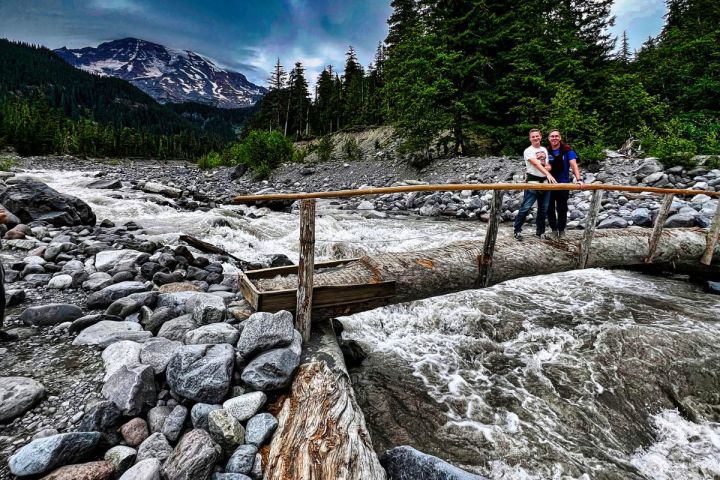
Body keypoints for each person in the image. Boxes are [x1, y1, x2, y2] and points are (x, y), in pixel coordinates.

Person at [514, 129, 557, 241]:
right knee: (526, 207)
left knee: (543, 209)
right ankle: (517, 230)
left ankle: (540, 231)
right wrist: (548, 173)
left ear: (541, 137)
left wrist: (549, 168)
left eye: (537, 136)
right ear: (530, 138)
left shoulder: (544, 150)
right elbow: (536, 163)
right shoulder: (528, 151)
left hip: (545, 182)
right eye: (533, 137)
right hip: (533, 182)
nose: (535, 138)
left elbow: (546, 164)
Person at [546, 129, 583, 238]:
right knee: (549, 208)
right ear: (549, 139)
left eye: (556, 136)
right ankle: (553, 230)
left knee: (562, 208)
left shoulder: (567, 150)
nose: (554, 138)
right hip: (548, 184)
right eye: (552, 136)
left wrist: (579, 179)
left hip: (563, 183)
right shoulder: (546, 151)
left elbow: (573, 165)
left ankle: (561, 230)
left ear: (560, 138)